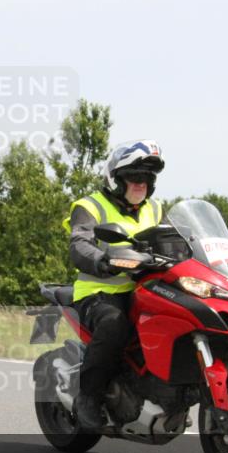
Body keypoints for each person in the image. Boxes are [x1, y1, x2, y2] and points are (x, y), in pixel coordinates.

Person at [63, 140, 165, 430]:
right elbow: (79, 244)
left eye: (147, 178)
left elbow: (182, 243)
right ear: (115, 179)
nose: (141, 183)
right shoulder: (90, 206)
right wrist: (103, 260)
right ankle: (89, 396)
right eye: (134, 177)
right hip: (100, 293)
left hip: (145, 289)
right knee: (115, 324)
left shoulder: (155, 209)